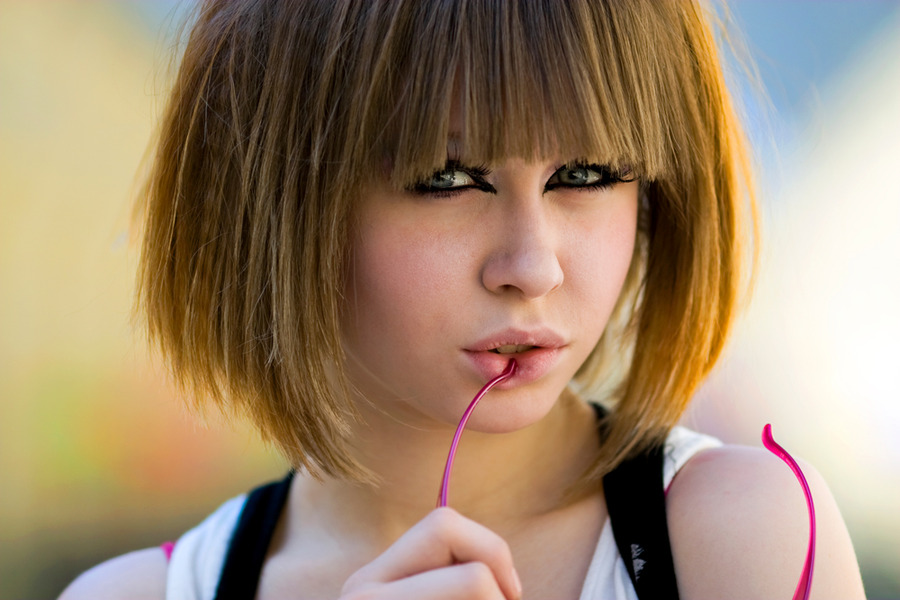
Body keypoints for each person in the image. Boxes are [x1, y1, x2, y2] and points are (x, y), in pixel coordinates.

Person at [60, 1, 866, 598]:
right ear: (275, 202)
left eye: (584, 176)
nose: (533, 266)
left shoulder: (735, 542)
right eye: (448, 180)